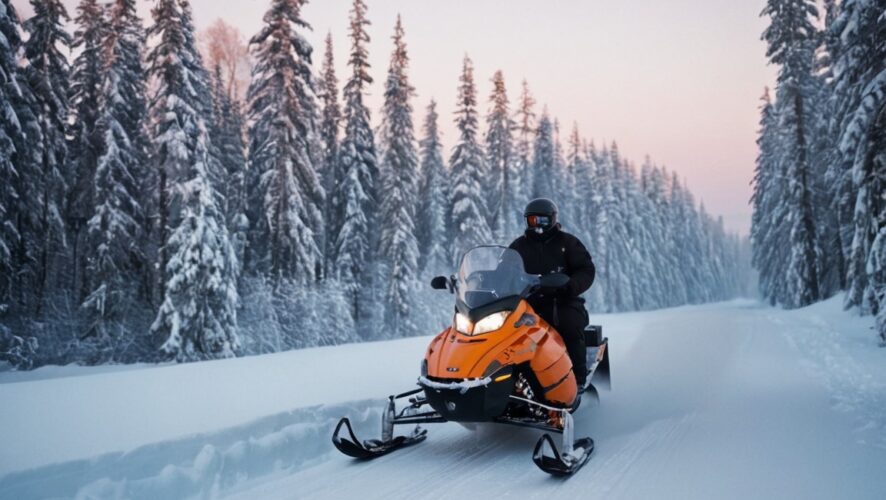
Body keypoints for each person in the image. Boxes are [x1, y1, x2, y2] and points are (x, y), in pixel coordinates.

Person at [508, 198, 596, 387]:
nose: (537, 225)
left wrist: (571, 285)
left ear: (552, 219)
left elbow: (586, 269)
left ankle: (577, 380)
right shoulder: (518, 247)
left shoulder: (568, 243)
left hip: (562, 300)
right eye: (532, 220)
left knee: (569, 325)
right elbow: (504, 269)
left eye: (542, 220)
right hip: (527, 303)